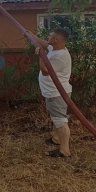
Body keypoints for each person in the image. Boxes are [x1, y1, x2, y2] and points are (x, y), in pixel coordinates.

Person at [27, 28, 73, 158]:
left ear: (56, 39)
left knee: (60, 119)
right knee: (56, 117)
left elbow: (45, 71)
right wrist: (32, 36)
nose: (48, 37)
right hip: (53, 92)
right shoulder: (56, 49)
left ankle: (64, 151)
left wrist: (41, 56)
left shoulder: (61, 56)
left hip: (57, 93)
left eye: (50, 35)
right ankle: (56, 139)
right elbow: (46, 45)